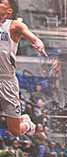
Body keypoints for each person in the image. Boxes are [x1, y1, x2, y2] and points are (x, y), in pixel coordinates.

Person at [0, 0, 46, 136]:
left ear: (9, 10)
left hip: (7, 81)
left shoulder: (14, 26)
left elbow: (32, 37)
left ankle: (26, 123)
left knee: (15, 131)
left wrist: (37, 42)